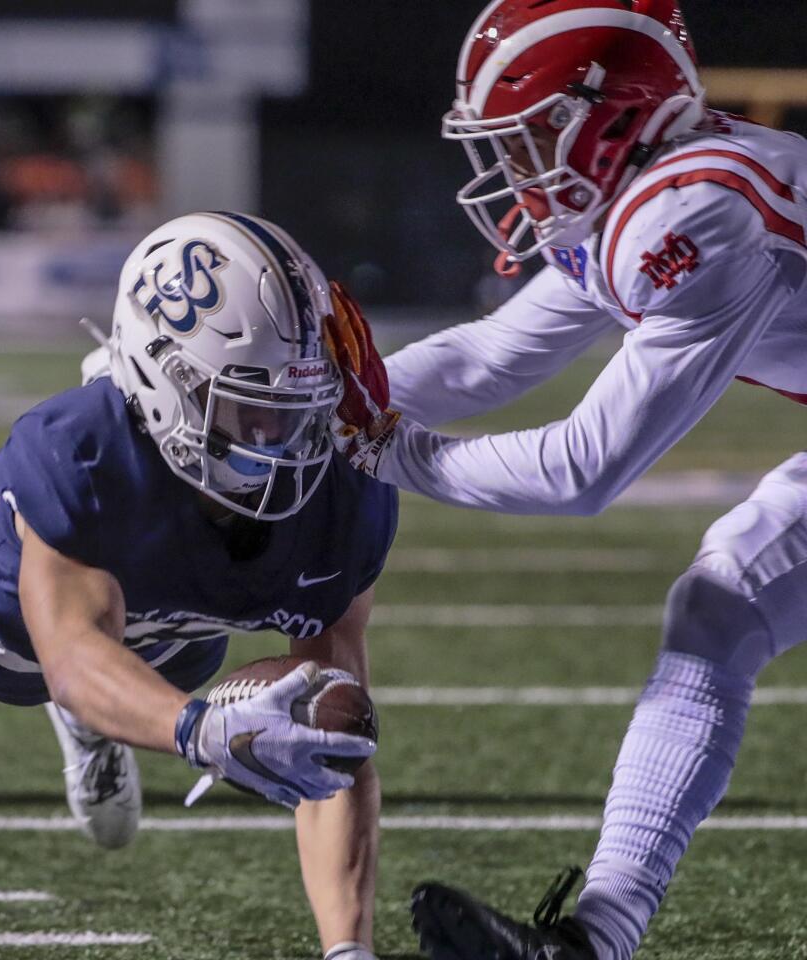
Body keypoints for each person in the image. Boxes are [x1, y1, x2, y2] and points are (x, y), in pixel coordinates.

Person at [319, 2, 807, 959]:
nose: (515, 164)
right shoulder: (641, 187)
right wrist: (320, 403)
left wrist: (386, 449)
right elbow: (491, 357)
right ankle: (595, 942)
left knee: (725, 600)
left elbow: (585, 468)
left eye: (534, 132)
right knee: (718, 607)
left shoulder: (696, 208)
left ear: (613, 110)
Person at [0, 211, 396, 960]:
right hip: (10, 598)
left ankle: (127, 695)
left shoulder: (345, 494)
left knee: (202, 668)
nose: (290, 447)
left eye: (302, 412)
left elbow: (338, 741)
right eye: (255, 410)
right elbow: (72, 656)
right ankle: (91, 722)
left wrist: (349, 951)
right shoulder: (85, 452)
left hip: (177, 613)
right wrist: (198, 731)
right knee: (21, 666)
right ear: (162, 382)